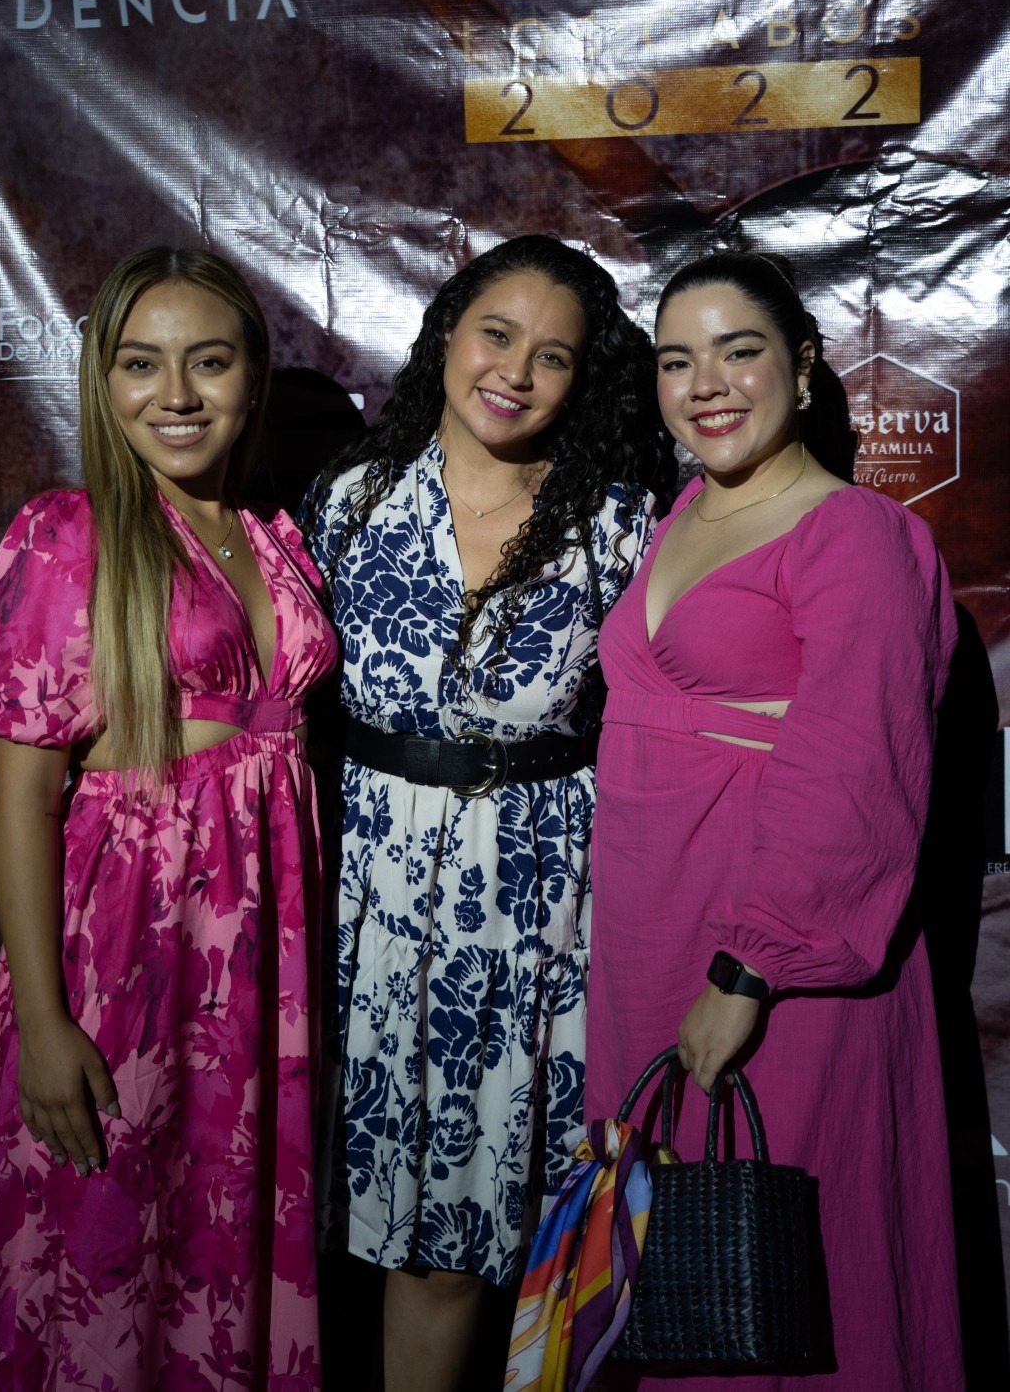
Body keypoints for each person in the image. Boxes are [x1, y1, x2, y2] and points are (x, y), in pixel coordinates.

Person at [0, 247, 337, 1391]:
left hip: (259, 960)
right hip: (127, 949)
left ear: (253, 377)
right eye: (142, 364)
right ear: (103, 382)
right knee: (100, 1243)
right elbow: (23, 801)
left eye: (209, 361)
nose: (177, 394)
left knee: (216, 1238)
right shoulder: (68, 536)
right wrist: (45, 1023)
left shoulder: (270, 531)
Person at [299, 234, 675, 1392]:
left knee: (543, 1226)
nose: (515, 370)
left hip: (545, 907)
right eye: (496, 335)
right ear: (447, 336)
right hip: (373, 904)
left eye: (552, 356)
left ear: (582, 380)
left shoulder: (621, 526)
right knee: (409, 1239)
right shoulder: (349, 503)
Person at [584, 251, 963, 1390]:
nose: (706, 384)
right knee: (672, 1281)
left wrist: (750, 968)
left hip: (778, 954)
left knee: (782, 1270)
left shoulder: (857, 534)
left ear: (801, 368)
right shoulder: (681, 515)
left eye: (737, 351)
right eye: (676, 361)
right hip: (649, 939)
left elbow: (857, 766)